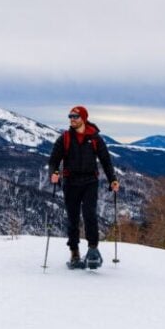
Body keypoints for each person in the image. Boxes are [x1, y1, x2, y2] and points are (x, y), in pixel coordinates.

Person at [48, 105, 119, 268]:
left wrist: (112, 179)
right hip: (70, 182)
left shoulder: (95, 138)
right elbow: (53, 161)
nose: (72, 119)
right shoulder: (64, 138)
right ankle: (74, 253)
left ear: (84, 118)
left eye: (75, 117)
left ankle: (93, 250)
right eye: (70, 117)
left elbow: (106, 161)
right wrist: (54, 173)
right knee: (72, 218)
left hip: (90, 182)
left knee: (89, 214)